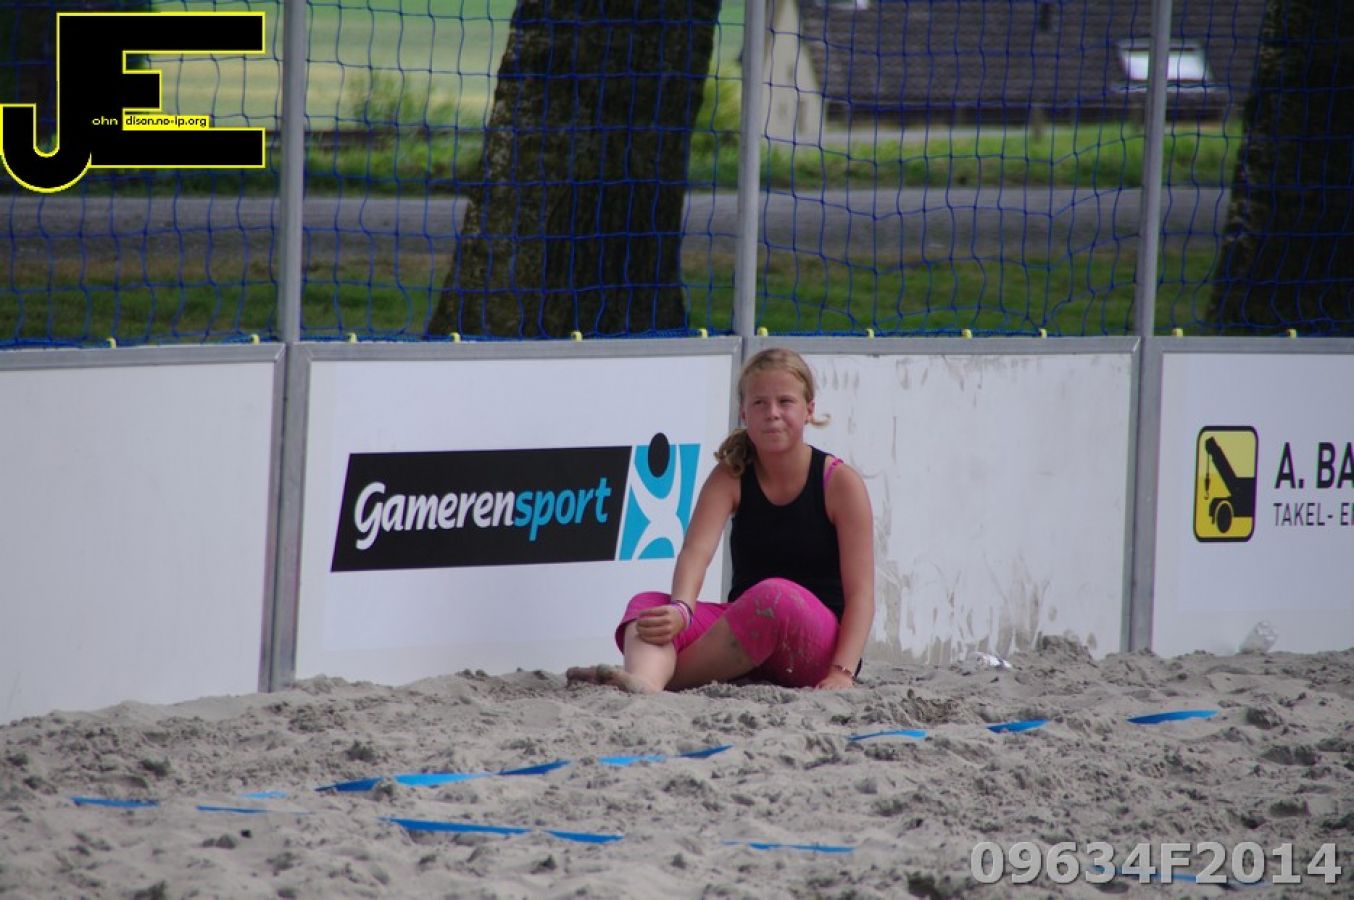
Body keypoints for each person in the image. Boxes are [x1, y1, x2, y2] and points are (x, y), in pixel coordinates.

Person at [567, 347, 875, 693]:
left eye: (785, 402)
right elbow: (695, 552)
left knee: (774, 596)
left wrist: (842, 672)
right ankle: (645, 683)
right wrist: (681, 609)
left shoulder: (839, 483)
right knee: (649, 607)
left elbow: (861, 594)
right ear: (744, 413)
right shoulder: (732, 473)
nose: (772, 413)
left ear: (809, 410)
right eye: (759, 403)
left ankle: (666, 677)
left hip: (816, 649)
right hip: (747, 635)